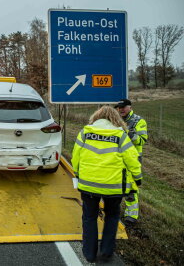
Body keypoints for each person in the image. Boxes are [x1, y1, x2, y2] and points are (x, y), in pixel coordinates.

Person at [71, 106, 142, 263]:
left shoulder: (85, 133)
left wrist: (77, 173)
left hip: (88, 184)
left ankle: (89, 253)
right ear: (115, 119)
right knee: (112, 216)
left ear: (96, 118)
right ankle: (106, 251)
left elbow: (76, 156)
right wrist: (138, 178)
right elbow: (132, 160)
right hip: (114, 186)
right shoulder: (120, 135)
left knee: (89, 217)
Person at [115, 99, 148, 225]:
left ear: (130, 107)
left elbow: (142, 140)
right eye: (119, 107)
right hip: (117, 157)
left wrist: (127, 133)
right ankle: (114, 211)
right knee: (115, 184)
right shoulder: (115, 120)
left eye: (123, 107)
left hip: (133, 158)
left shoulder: (139, 121)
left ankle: (131, 215)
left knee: (131, 187)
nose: (121, 109)